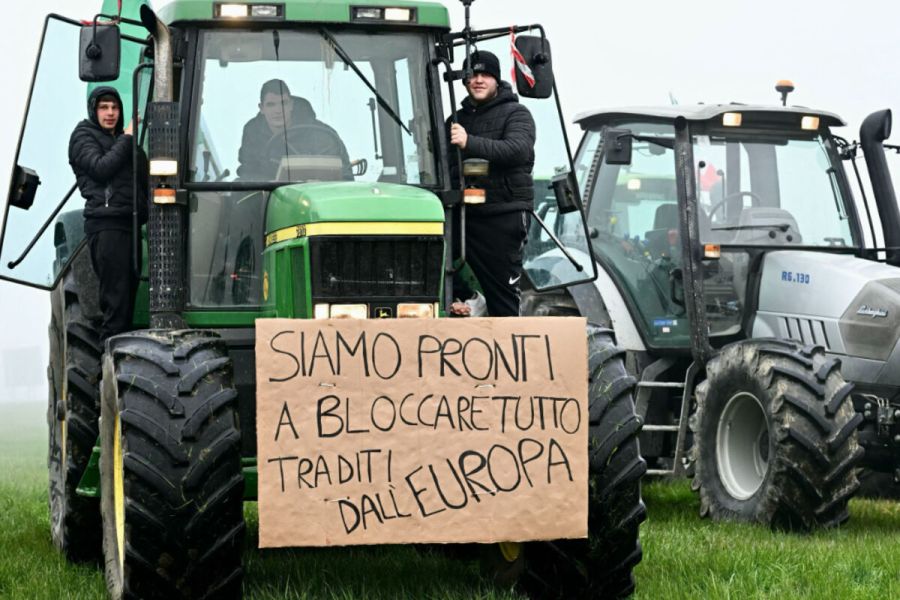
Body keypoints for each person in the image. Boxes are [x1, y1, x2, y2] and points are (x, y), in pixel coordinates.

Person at [448, 50, 536, 317]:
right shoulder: (455, 120)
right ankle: (467, 300)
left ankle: (508, 344)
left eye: (485, 74)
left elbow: (517, 150)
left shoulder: (517, 114)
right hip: (463, 213)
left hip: (503, 214)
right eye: (473, 75)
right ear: (464, 80)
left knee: (503, 296)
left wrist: (469, 142)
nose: (478, 80)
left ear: (496, 80)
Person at [68, 86, 147, 342]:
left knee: (128, 295)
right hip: (106, 226)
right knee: (115, 298)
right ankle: (110, 360)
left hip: (130, 224)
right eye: (104, 107)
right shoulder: (83, 136)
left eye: (114, 107)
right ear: (94, 110)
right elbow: (101, 169)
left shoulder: (122, 142)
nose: (110, 113)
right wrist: (126, 138)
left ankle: (121, 351)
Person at [237, 79, 352, 180]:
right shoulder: (253, 133)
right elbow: (247, 174)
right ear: (261, 108)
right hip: (269, 198)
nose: (278, 110)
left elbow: (343, 175)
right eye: (271, 105)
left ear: (291, 105)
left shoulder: (322, 135)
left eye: (283, 103)